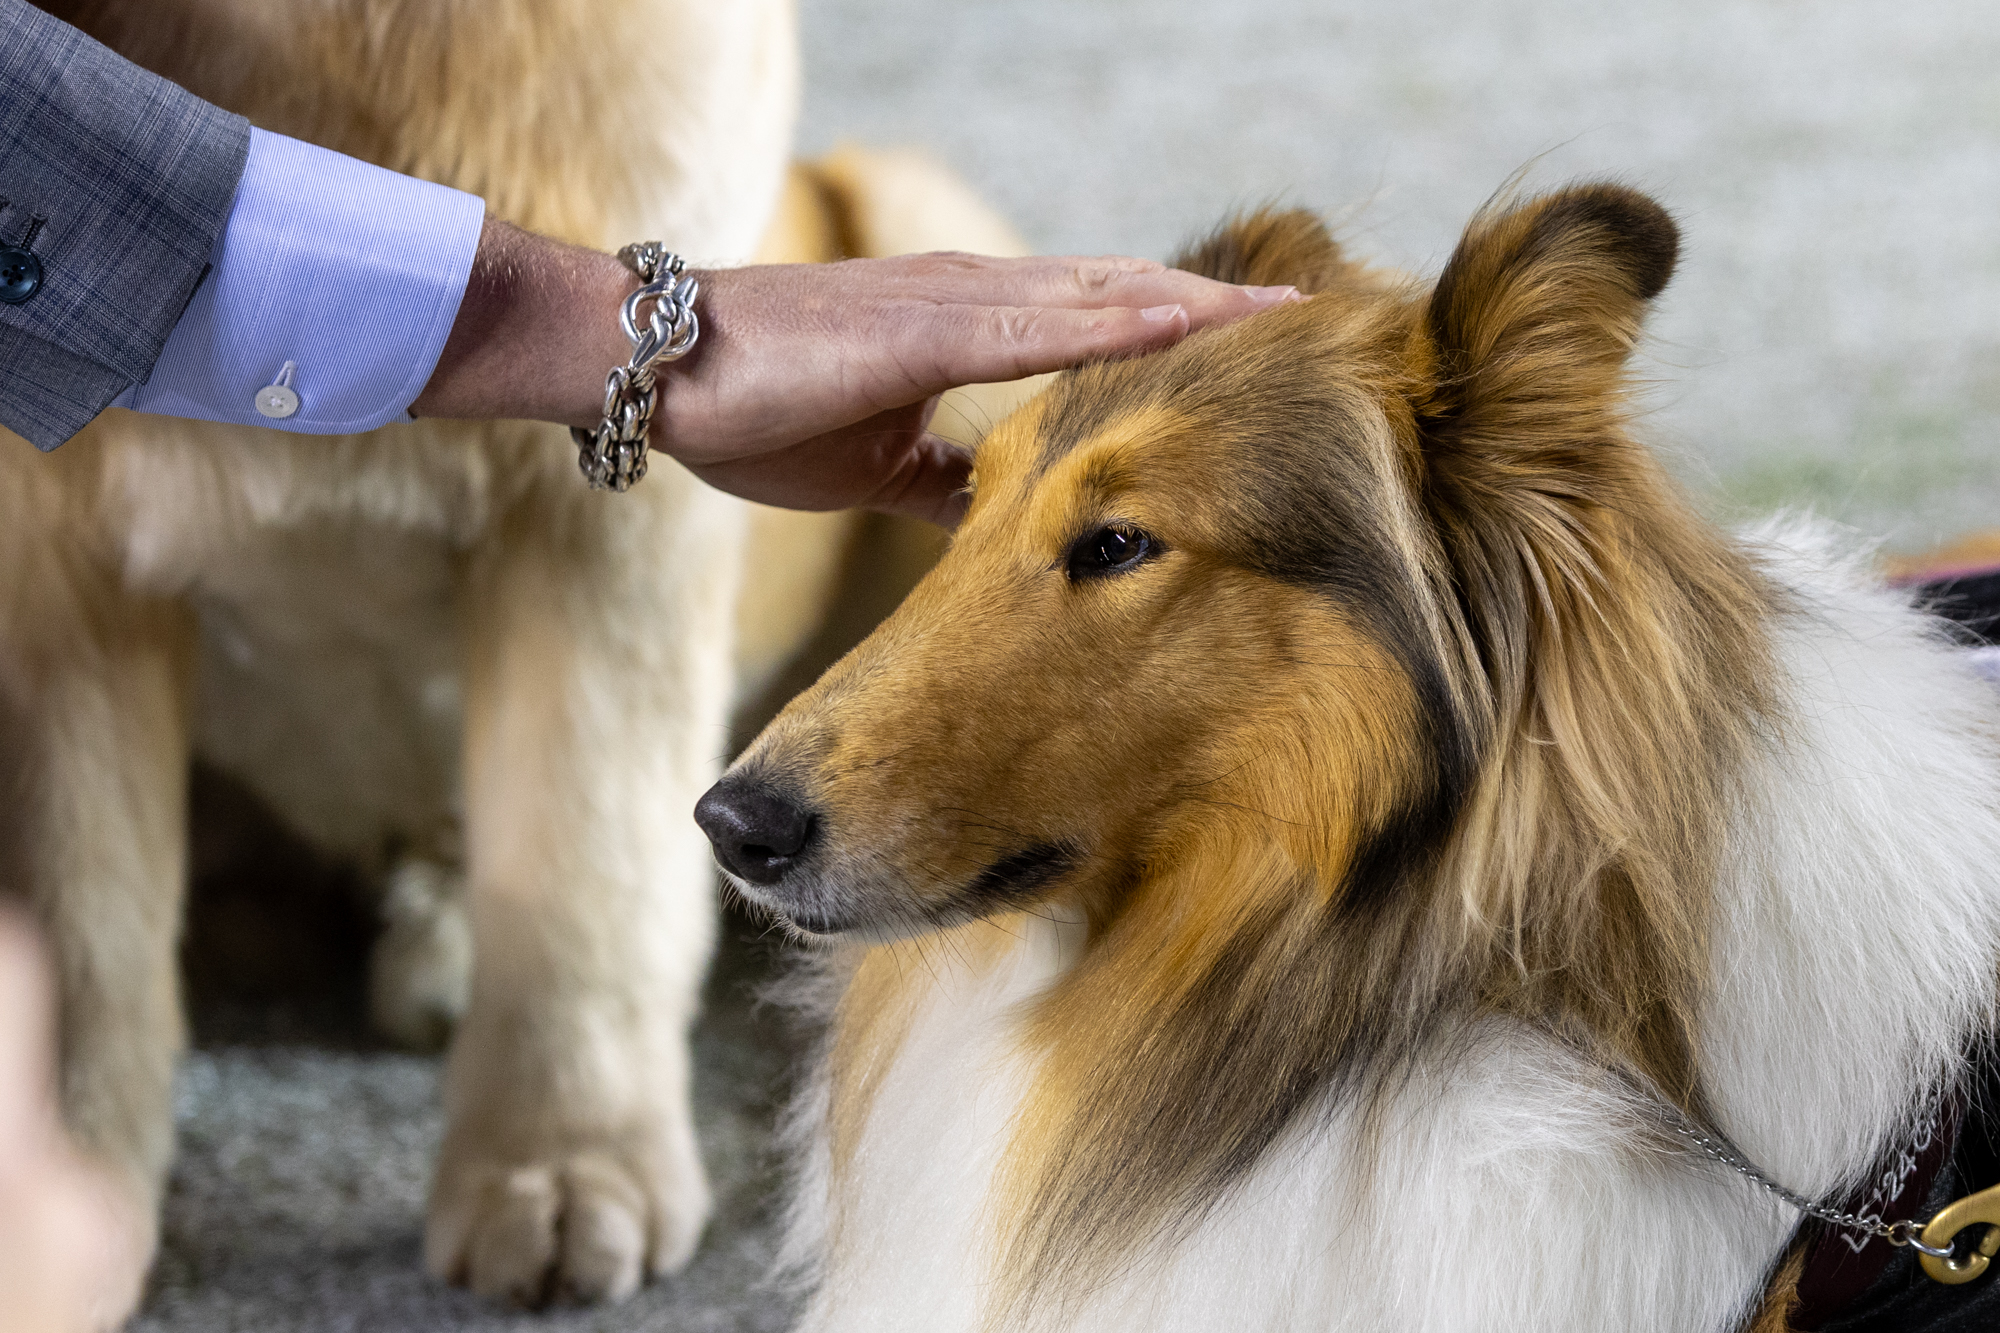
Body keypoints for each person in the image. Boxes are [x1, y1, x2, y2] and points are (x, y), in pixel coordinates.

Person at [1, 2, 1295, 1325]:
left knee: (941, 326)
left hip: (748, 629)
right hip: (256, 737)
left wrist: (578, 1070)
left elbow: (618, 529)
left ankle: (572, 1029)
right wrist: (75, 1091)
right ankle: (96, 1057)